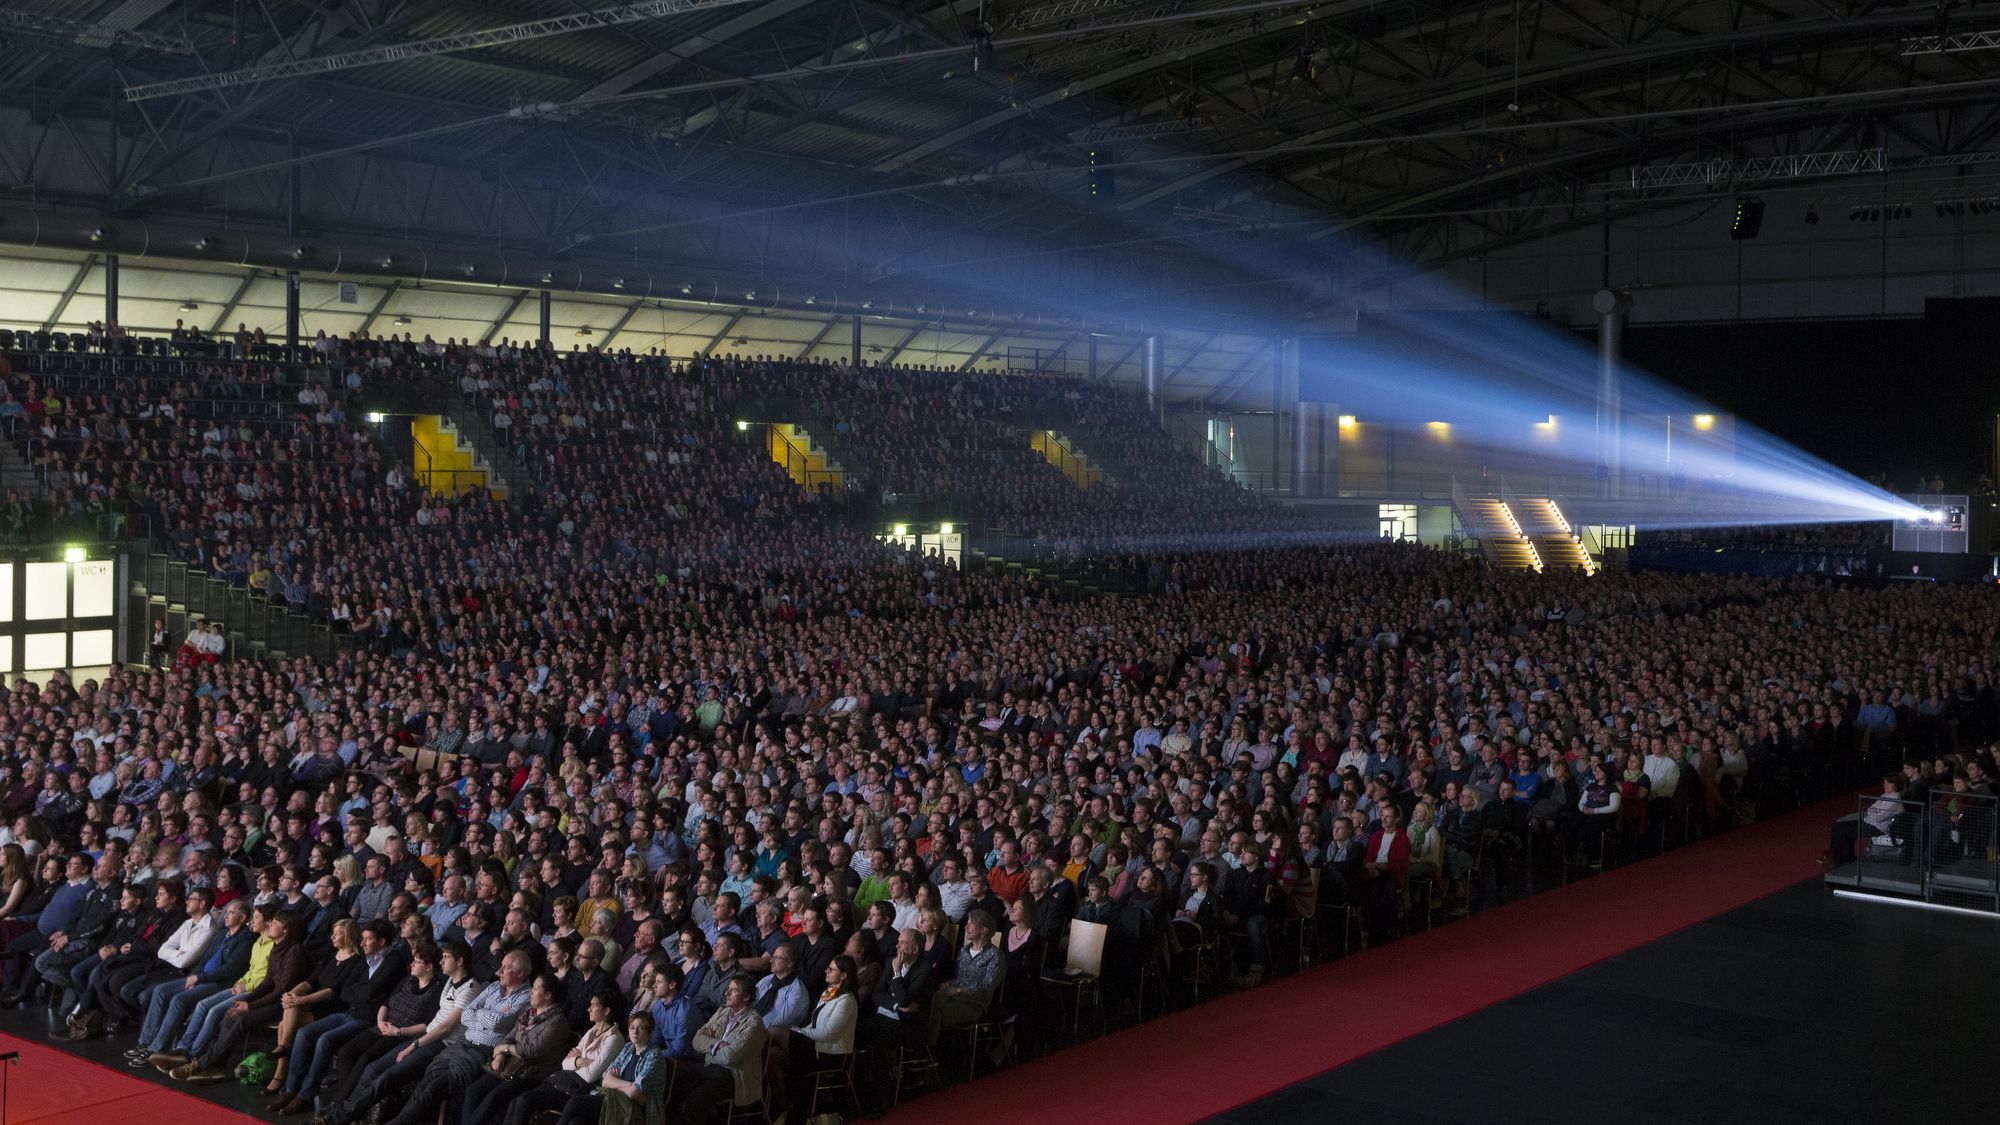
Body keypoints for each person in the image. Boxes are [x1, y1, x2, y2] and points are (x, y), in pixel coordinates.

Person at [676, 974, 767, 1124]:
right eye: (728, 989)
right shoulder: (722, 1011)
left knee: (696, 1101)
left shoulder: (754, 1022)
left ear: (746, 997)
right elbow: (696, 1041)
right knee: (678, 1082)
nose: (727, 993)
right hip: (711, 1066)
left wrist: (709, 1045)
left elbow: (731, 1057)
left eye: (733, 990)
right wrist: (719, 1044)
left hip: (735, 1076)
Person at [555, 1009, 669, 1125]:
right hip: (616, 1101)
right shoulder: (628, 1048)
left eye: (641, 1028)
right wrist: (630, 1085)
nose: (635, 1032)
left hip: (636, 1111)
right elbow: (605, 1080)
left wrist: (618, 1084)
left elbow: (633, 1093)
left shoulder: (654, 1056)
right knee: (577, 1122)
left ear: (649, 1032)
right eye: (632, 1027)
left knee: (575, 1103)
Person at [1822, 775, 1909, 865]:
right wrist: (1874, 812)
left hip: (1878, 827)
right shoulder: (1885, 795)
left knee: (1845, 832)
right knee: (1837, 826)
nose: (1885, 785)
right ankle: (1832, 855)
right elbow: (1870, 809)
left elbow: (1879, 817)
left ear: (1896, 784)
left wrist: (1874, 812)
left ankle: (1844, 858)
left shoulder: (1895, 799)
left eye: (1889, 783)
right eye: (1884, 783)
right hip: (1869, 821)